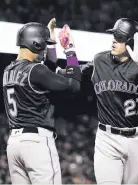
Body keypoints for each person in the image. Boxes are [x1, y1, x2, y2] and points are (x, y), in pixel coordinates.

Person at [58, 18, 138, 184]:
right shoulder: (100, 60)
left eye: (119, 38)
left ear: (131, 42)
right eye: (114, 36)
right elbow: (74, 73)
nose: (114, 41)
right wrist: (68, 50)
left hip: (136, 139)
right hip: (107, 138)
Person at [3, 19, 82, 184]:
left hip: (14, 144)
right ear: (36, 43)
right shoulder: (36, 70)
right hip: (36, 142)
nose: (45, 49)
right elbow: (73, 86)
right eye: (44, 44)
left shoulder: (8, 70)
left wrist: (52, 44)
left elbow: (47, 72)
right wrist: (70, 51)